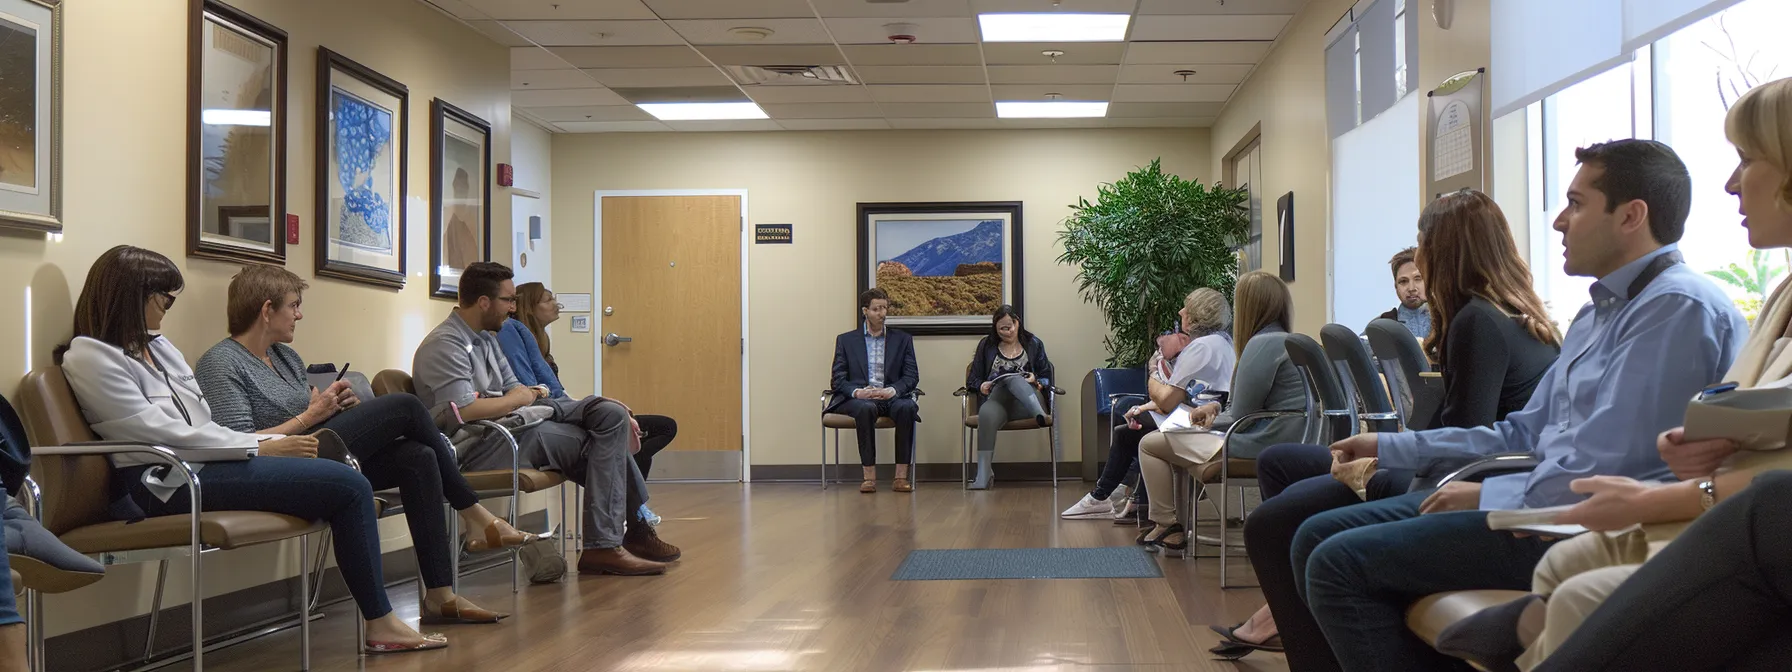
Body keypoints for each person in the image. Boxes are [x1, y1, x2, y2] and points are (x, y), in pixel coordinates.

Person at [1290, 139, 1747, 672]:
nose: (1558, 222)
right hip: (1539, 501)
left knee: (1336, 563)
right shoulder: (1598, 313)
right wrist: (1389, 444)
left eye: (1576, 204)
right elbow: (1522, 432)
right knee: (1316, 536)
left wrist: (1492, 493)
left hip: (1579, 524)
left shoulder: (1673, 309)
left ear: (1631, 216)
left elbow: (1607, 470)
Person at [1434, 77, 1792, 672]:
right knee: (1560, 570)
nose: (1731, 183)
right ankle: (1530, 625)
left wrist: (1671, 492)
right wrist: (1718, 439)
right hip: (1726, 506)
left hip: (1755, 527)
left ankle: (1530, 626)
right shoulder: (1781, 295)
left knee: (1343, 561)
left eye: (1747, 159)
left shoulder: (1677, 306)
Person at [1215, 189, 1565, 660]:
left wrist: (1384, 461)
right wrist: (1387, 448)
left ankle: (1295, 632)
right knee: (1282, 466)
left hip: (1460, 479)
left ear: (1444, 252)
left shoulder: (1477, 322)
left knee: (1275, 523)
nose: (1419, 261)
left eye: (1423, 246)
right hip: (1456, 467)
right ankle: (1293, 619)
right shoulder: (1505, 314)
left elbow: (1465, 438)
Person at [55, 245, 447, 654]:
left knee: (354, 481)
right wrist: (263, 447)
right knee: (349, 486)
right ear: (131, 296)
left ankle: (382, 621)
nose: (168, 309)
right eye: (163, 298)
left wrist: (266, 443)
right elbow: (164, 434)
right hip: (166, 482)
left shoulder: (160, 347)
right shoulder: (89, 356)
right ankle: (381, 623)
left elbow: (202, 423)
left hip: (204, 463)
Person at [195, 265, 539, 625]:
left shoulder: (286, 358)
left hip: (316, 448)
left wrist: (335, 408)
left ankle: (440, 595)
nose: (299, 314)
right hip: (276, 465)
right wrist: (311, 416)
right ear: (267, 310)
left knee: (417, 457)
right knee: (405, 406)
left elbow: (311, 418)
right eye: (293, 305)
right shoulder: (221, 362)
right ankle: (476, 514)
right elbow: (241, 443)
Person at [413, 261, 682, 576]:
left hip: (514, 427)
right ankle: (616, 539)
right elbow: (465, 412)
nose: (514, 308)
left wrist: (520, 398)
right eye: (508, 300)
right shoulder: (446, 345)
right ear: (484, 302)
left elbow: (522, 390)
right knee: (599, 438)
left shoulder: (485, 338)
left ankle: (615, 539)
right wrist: (517, 399)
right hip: (480, 445)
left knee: (609, 416)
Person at [1135, 272, 1307, 553]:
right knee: (1178, 438)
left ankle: (1166, 522)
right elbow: (1257, 402)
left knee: (1150, 444)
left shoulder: (1260, 345)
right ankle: (1172, 527)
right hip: (1289, 435)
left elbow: (1241, 415)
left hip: (1264, 441)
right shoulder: (1282, 339)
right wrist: (1215, 408)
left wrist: (1205, 420)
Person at [497, 281, 677, 524]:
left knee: (651, 427)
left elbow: (552, 392)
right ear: (530, 307)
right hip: (543, 417)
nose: (556, 304)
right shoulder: (512, 332)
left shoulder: (539, 343)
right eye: (548, 299)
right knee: (618, 430)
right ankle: (632, 512)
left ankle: (631, 506)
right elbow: (536, 390)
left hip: (554, 409)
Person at [1061, 288, 1236, 519]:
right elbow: (1185, 397)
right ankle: (1126, 498)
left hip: (1200, 429)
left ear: (1196, 316)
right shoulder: (1223, 343)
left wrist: (1154, 368)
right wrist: (1144, 407)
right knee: (1131, 420)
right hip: (1205, 419)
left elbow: (1165, 401)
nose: (1180, 311)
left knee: (1128, 428)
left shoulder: (1201, 347)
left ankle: (1114, 498)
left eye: (1186, 308)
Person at [826, 288, 920, 493]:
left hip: (890, 396)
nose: (882, 313)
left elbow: (912, 376)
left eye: (885, 308)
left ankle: (901, 477)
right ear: (865, 311)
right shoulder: (846, 340)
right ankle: (869, 478)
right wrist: (858, 392)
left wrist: (893, 390)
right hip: (861, 398)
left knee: (907, 407)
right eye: (876, 309)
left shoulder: (902, 339)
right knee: (865, 408)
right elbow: (838, 379)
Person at [963, 305, 1055, 490]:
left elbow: (1047, 377)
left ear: (1017, 322)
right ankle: (983, 473)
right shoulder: (987, 345)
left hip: (1027, 404)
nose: (1009, 331)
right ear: (996, 329)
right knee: (987, 413)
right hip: (999, 402)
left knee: (1014, 379)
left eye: (1011, 325)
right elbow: (973, 379)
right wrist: (982, 385)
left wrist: (1035, 378)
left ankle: (1039, 414)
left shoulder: (1033, 343)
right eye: (1003, 328)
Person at [1375, 247, 1430, 338]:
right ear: (1396, 286)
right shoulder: (1381, 327)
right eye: (1403, 281)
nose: (1411, 288)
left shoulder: (1448, 320)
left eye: (1418, 279)